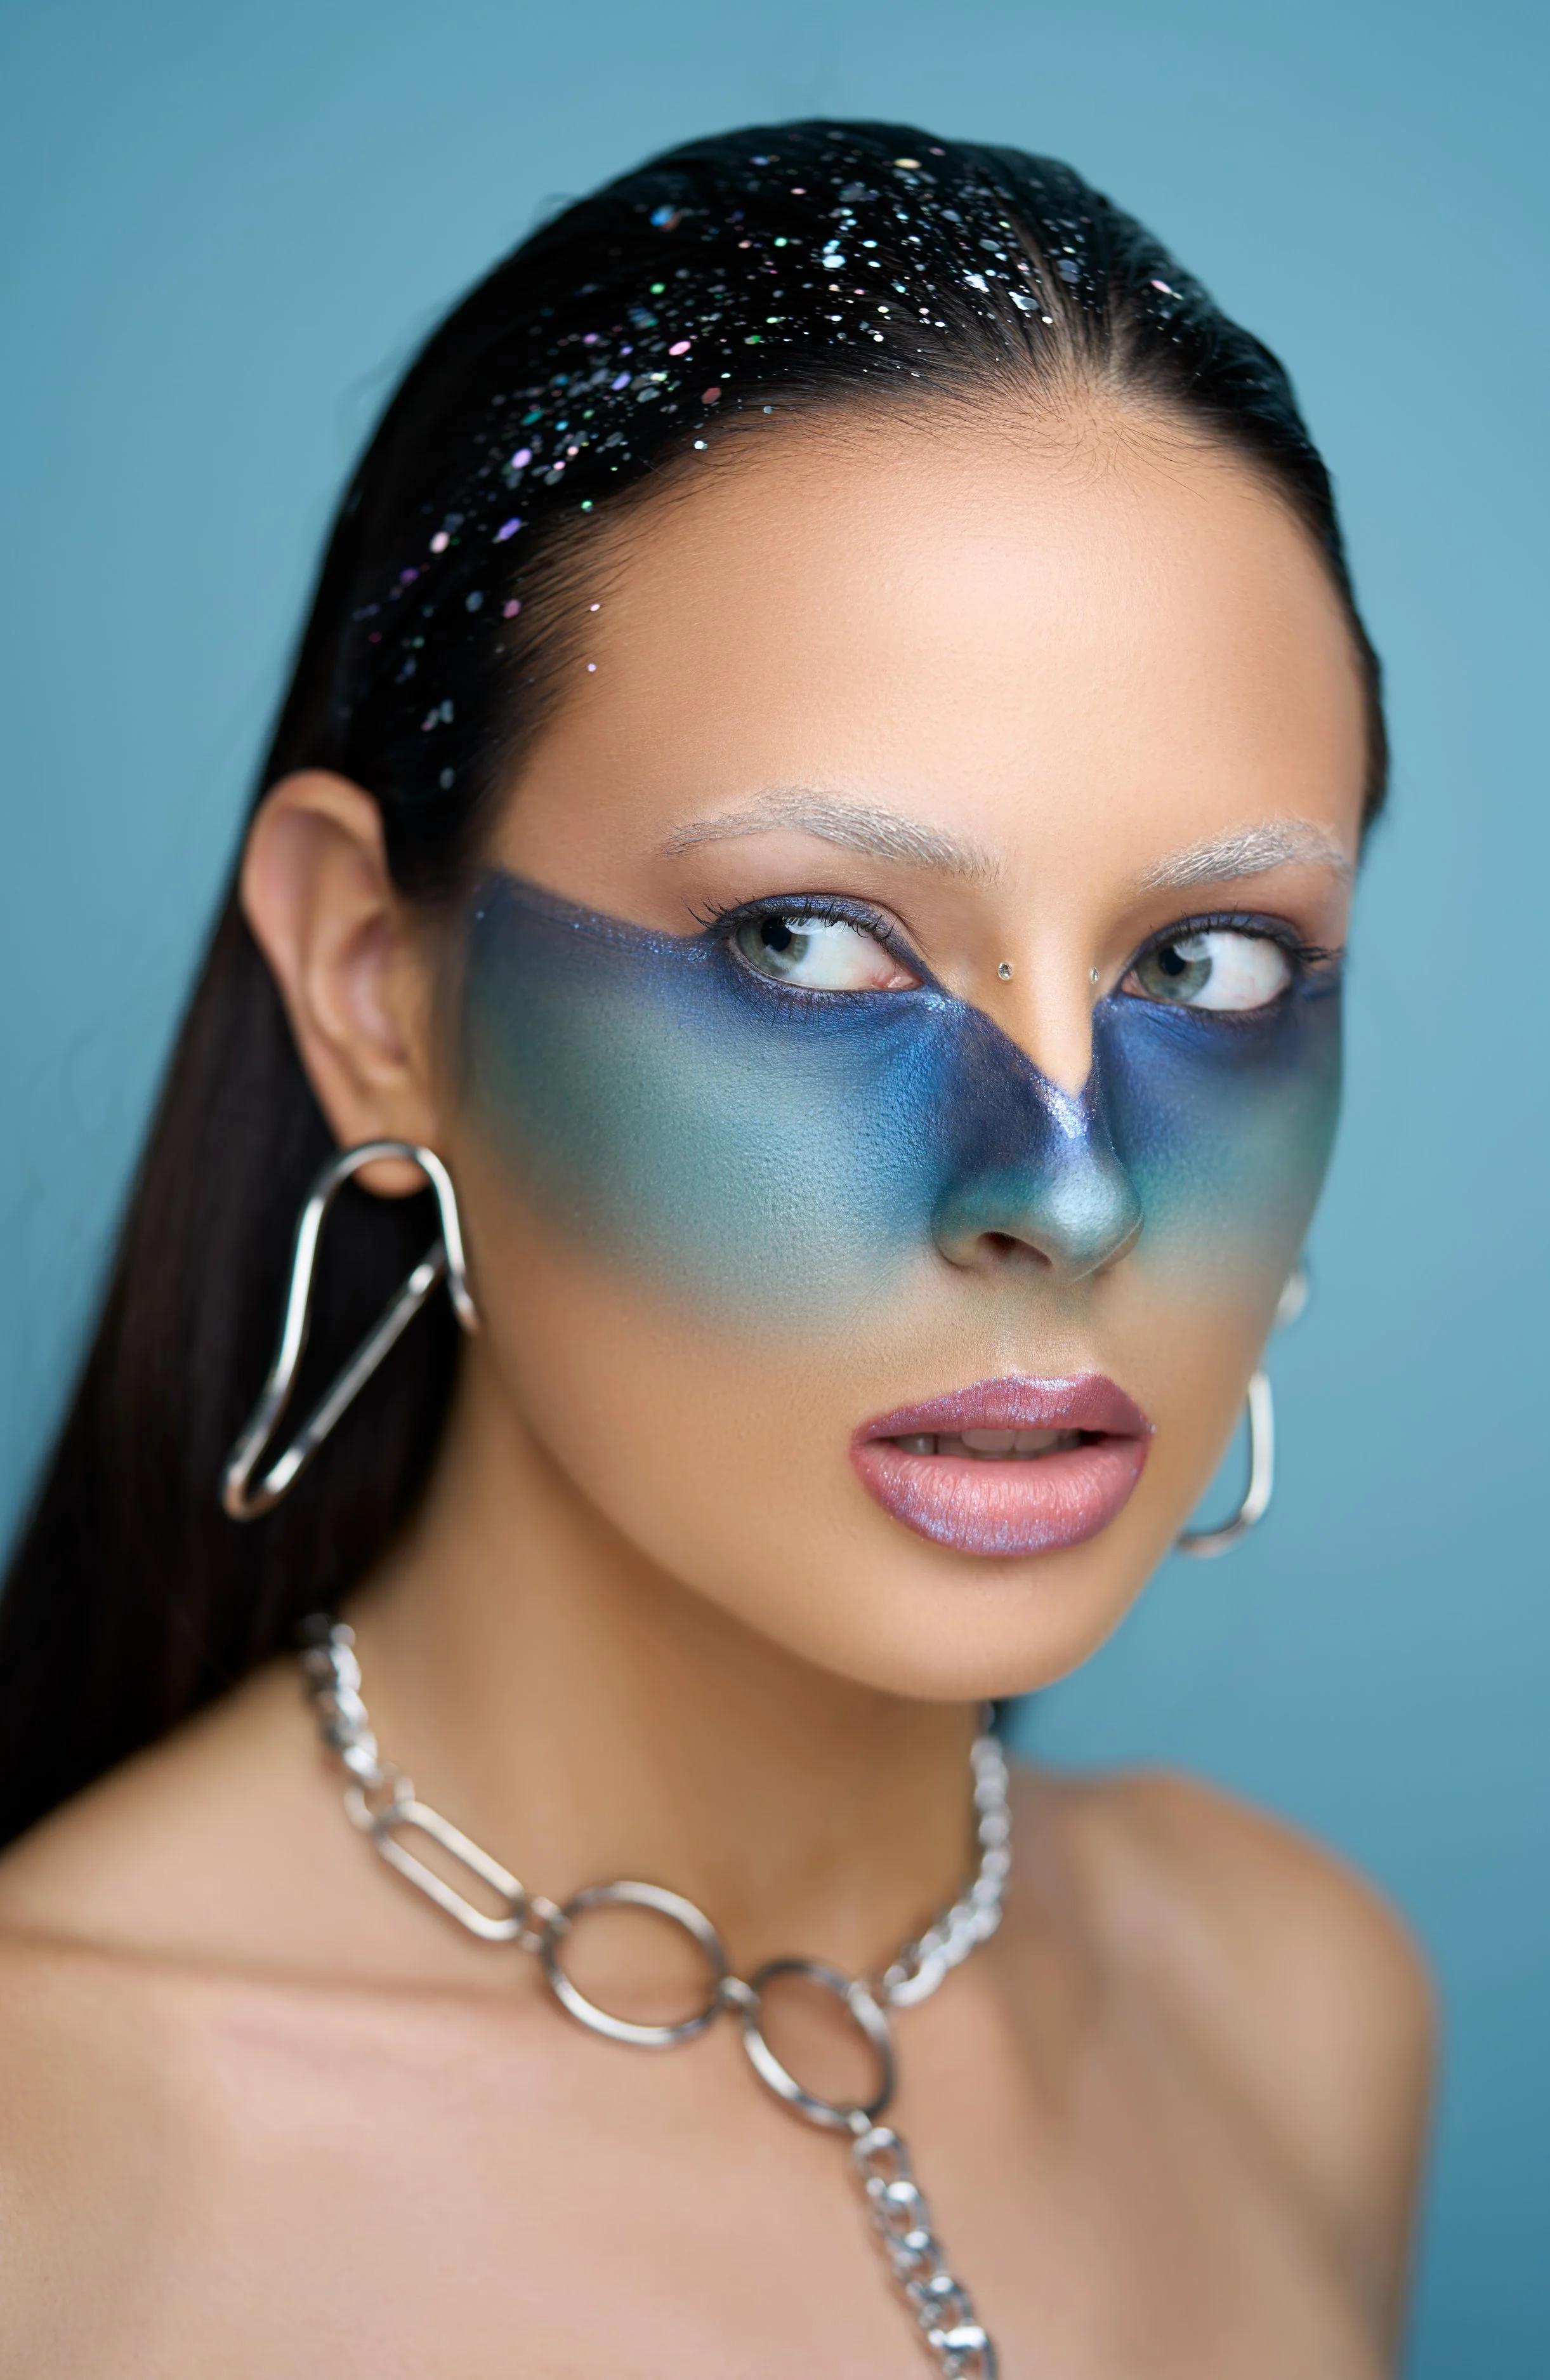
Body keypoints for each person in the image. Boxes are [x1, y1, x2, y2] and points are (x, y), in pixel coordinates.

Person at [0, 121, 1433, 2376]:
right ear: (374, 980)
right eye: (807, 941)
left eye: (1215, 964)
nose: (1069, 1191)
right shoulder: (49, 2175)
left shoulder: (1300, 2003)